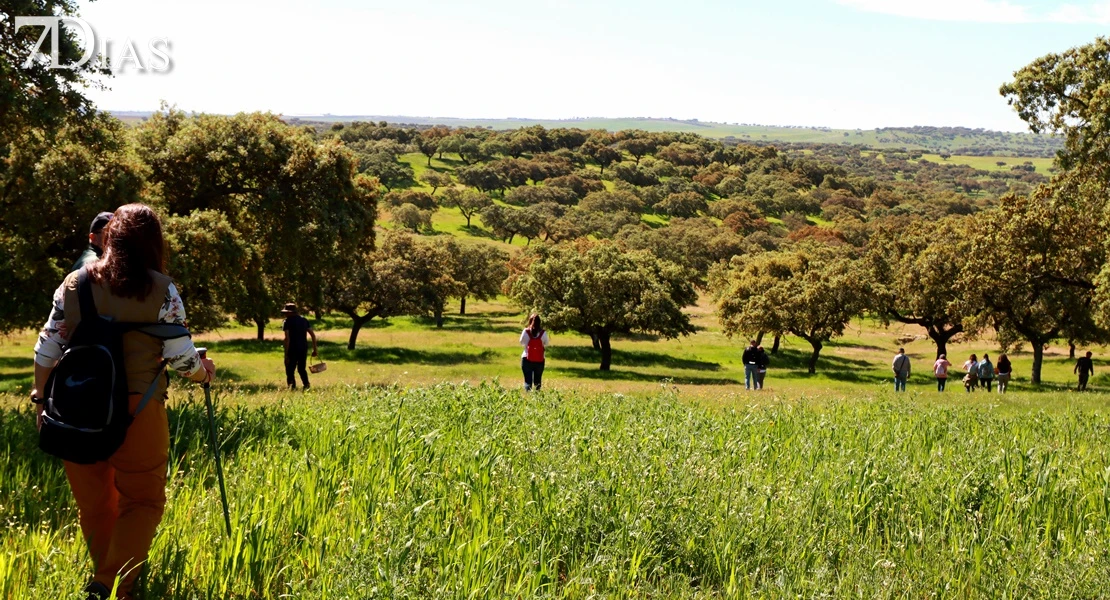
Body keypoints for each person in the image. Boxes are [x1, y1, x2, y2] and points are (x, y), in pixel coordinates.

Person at [31, 203, 216, 600]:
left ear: (110, 237)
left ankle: (110, 583)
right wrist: (204, 371)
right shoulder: (162, 288)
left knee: (94, 505)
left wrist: (40, 402)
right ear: (154, 243)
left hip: (76, 407)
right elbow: (183, 359)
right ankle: (111, 583)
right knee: (143, 501)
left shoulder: (75, 283)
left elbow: (46, 351)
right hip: (139, 408)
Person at [281, 303, 318, 390]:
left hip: (292, 349)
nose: (285, 314)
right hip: (303, 348)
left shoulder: (286, 322)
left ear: (290, 312)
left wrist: (286, 355)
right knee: (301, 368)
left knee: (290, 369)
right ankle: (306, 385)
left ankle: (291, 387)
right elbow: (312, 335)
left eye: (286, 312)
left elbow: (287, 338)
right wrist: (315, 349)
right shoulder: (304, 320)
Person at [519, 314, 549, 391]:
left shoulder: (526, 331)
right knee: (537, 382)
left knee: (527, 381)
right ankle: (537, 399)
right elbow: (546, 343)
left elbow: (522, 342)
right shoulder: (543, 333)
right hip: (540, 359)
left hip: (526, 358)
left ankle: (528, 398)